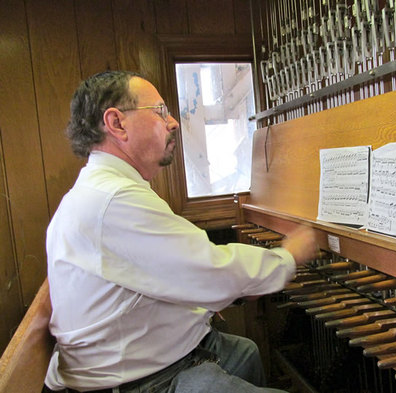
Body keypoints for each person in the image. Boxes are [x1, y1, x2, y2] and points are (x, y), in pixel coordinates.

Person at [45, 70, 317, 393]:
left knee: (247, 353)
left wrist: (206, 295)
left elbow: (171, 270)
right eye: (160, 112)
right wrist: (288, 257)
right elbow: (211, 269)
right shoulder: (111, 199)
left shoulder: (109, 189)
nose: (173, 122)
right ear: (117, 124)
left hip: (154, 357)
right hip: (140, 382)